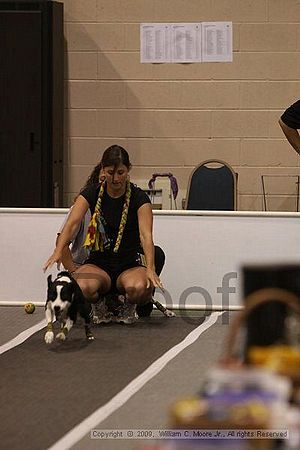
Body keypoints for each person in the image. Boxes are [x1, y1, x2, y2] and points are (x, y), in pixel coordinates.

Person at [44, 144, 164, 323]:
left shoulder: (139, 198)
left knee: (140, 288)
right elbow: (72, 223)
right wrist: (58, 249)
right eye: (110, 172)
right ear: (103, 169)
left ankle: (128, 306)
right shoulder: (91, 194)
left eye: (121, 173)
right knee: (80, 286)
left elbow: (146, 235)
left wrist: (150, 268)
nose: (115, 179)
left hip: (128, 265)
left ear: (128, 169)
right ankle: (99, 305)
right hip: (98, 265)